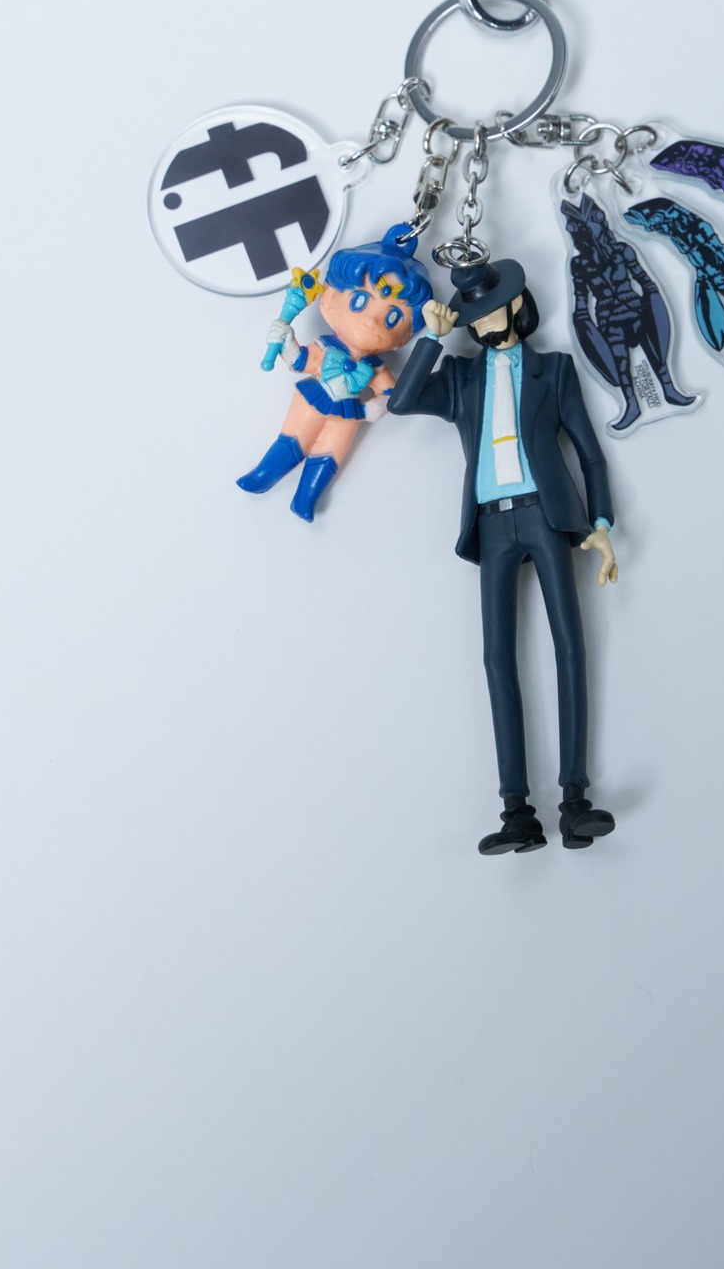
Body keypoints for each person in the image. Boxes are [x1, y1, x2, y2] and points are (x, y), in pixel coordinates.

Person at [387, 255, 620, 855]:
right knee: (497, 659)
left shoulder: (554, 370)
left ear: (518, 305)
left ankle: (575, 800)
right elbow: (402, 402)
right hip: (491, 525)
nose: (486, 325)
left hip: (546, 515)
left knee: (569, 646)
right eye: (475, 318)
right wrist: (432, 338)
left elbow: (589, 453)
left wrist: (601, 523)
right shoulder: (460, 379)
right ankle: (517, 810)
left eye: (494, 311)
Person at [236, 225, 432, 521]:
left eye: (392, 318)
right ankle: (263, 475)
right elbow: (300, 361)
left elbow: (391, 393)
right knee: (295, 439)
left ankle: (306, 498)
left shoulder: (374, 367)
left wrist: (373, 409)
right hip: (314, 398)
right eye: (360, 301)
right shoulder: (325, 347)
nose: (371, 322)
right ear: (328, 299)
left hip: (350, 414)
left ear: (403, 338)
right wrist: (286, 339)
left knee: (330, 454)